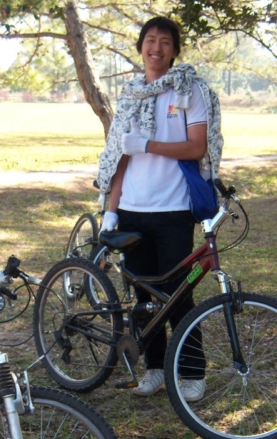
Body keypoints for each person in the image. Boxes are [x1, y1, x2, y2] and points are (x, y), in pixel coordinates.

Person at [96, 17, 221, 399]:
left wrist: (148, 145)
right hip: (132, 210)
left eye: (165, 42)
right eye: (150, 40)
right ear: (140, 47)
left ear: (175, 50)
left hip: (173, 210)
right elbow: (119, 158)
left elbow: (197, 146)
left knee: (178, 294)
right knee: (143, 297)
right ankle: (153, 369)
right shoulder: (130, 95)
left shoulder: (189, 90)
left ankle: (192, 372)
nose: (156, 48)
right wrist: (112, 210)